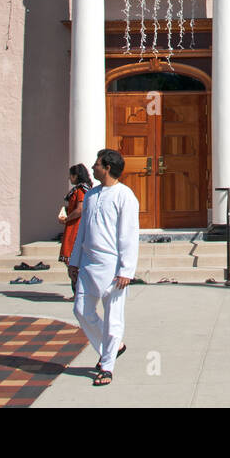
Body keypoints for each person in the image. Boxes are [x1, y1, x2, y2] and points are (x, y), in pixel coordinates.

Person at [68, 149, 139, 387]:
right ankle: (114, 346)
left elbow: (129, 236)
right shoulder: (91, 196)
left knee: (113, 320)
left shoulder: (124, 196)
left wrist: (126, 270)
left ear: (107, 167)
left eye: (97, 164)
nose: (93, 167)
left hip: (113, 267)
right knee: (81, 310)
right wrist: (74, 261)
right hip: (88, 264)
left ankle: (107, 366)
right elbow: (82, 233)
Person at [59, 164, 93, 297]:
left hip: (76, 228)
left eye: (71, 175)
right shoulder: (80, 189)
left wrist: (67, 219)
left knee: (73, 261)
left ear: (76, 175)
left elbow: (79, 209)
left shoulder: (81, 190)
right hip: (73, 226)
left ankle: (80, 293)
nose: (69, 178)